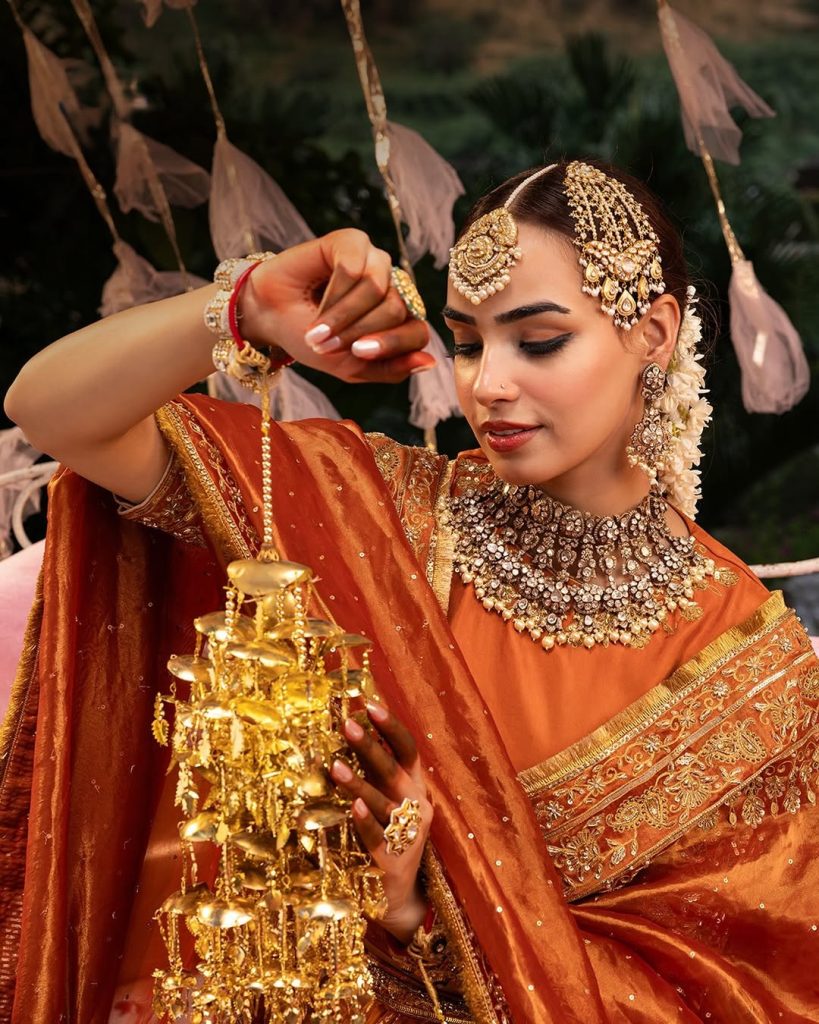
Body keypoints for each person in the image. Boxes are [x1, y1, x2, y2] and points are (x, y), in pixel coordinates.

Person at [3, 159, 818, 1024]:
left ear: (653, 333)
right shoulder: (372, 513)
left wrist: (420, 918)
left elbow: (742, 991)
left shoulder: (746, 660)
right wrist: (245, 304)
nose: (488, 385)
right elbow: (51, 410)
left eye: (537, 342)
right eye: (467, 343)